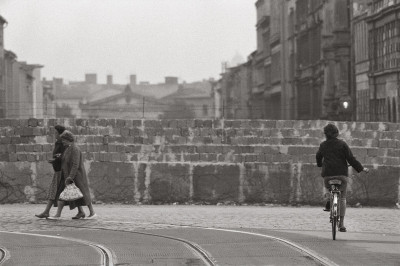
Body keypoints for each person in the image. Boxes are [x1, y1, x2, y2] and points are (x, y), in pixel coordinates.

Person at [316, 123, 369, 232]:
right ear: (337, 133)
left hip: (328, 175)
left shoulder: (323, 145)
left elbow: (318, 156)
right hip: (341, 175)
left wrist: (320, 164)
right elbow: (351, 159)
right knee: (343, 198)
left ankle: (329, 199)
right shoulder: (342, 144)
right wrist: (361, 168)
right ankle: (341, 224)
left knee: (327, 186)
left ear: (325, 134)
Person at [48, 130, 97, 220]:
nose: (62, 141)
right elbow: (65, 161)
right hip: (67, 176)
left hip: (76, 177)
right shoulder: (68, 149)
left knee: (83, 195)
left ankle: (92, 213)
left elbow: (75, 164)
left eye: (64, 140)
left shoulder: (75, 149)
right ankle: (78, 212)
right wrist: (55, 161)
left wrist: (70, 177)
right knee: (63, 195)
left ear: (68, 139)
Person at [35, 125, 66, 219]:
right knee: (69, 192)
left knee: (60, 191)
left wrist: (55, 160)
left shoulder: (63, 143)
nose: (55, 134)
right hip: (57, 170)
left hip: (62, 171)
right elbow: (58, 155)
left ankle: (47, 212)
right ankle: (81, 211)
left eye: (56, 133)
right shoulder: (58, 143)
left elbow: (64, 156)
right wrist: (54, 160)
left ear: (61, 134)